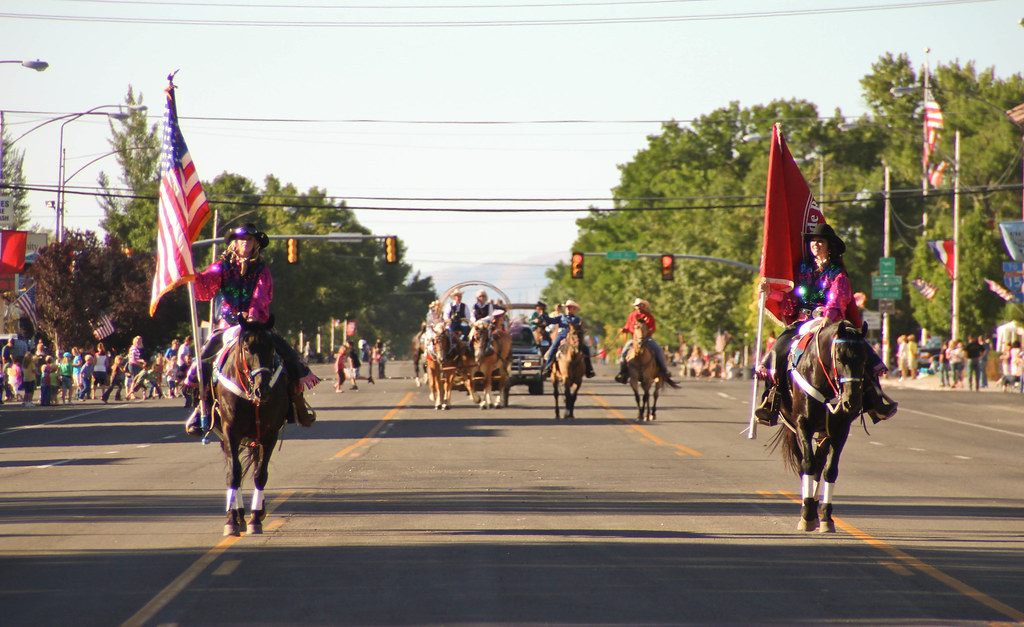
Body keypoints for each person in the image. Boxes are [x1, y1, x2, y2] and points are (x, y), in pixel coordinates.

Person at [755, 223, 896, 426]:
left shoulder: (837, 274)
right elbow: (790, 302)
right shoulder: (802, 270)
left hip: (829, 322)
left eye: (820, 241)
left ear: (829, 246)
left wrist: (827, 318)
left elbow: (838, 299)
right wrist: (770, 292)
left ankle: (875, 402)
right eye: (813, 241)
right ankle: (770, 402)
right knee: (778, 348)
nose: (815, 244)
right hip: (802, 322)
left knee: (856, 347)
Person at [185, 223, 318, 436]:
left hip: (256, 323)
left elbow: (261, 294)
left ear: (255, 243)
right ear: (234, 243)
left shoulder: (261, 269)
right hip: (228, 326)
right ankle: (203, 408)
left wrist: (253, 315)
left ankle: (296, 405)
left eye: (249, 239)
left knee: (287, 354)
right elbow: (205, 286)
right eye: (241, 239)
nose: (245, 243)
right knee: (203, 359)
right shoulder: (221, 266)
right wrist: (191, 274)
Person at [613, 298, 677, 385]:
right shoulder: (631, 316)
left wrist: (646, 331)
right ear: (635, 307)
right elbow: (628, 327)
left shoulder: (649, 316)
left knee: (658, 349)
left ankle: (664, 370)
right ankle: (623, 372)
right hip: (634, 339)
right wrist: (624, 330)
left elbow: (653, 329)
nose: (639, 307)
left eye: (640, 305)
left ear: (644, 306)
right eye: (637, 306)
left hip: (647, 338)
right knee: (624, 352)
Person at [539, 300, 596, 378]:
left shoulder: (577, 319)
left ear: (574, 309)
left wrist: (581, 331)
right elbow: (550, 320)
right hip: (561, 335)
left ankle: (589, 370)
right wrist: (543, 316)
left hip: (573, 337)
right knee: (553, 349)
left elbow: (579, 328)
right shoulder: (561, 317)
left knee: (586, 349)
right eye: (567, 307)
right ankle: (547, 368)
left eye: (570, 307)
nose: (568, 309)